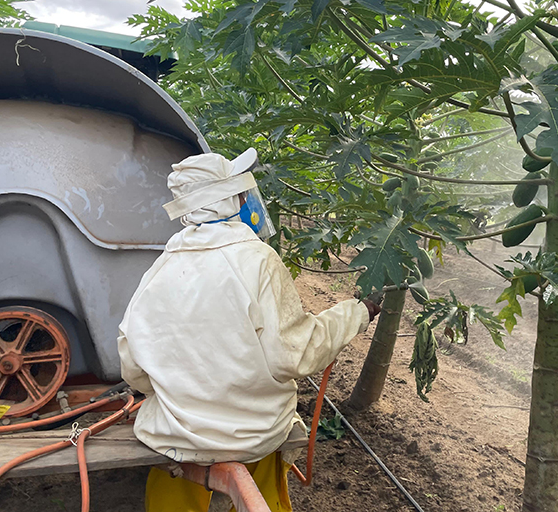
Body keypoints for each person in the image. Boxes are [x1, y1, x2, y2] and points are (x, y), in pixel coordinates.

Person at [118, 148, 379, 512]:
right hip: (252, 435)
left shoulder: (159, 270)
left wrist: (180, 393)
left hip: (176, 436)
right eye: (241, 192)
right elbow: (295, 354)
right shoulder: (257, 260)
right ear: (232, 198)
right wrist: (357, 313)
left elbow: (132, 365)